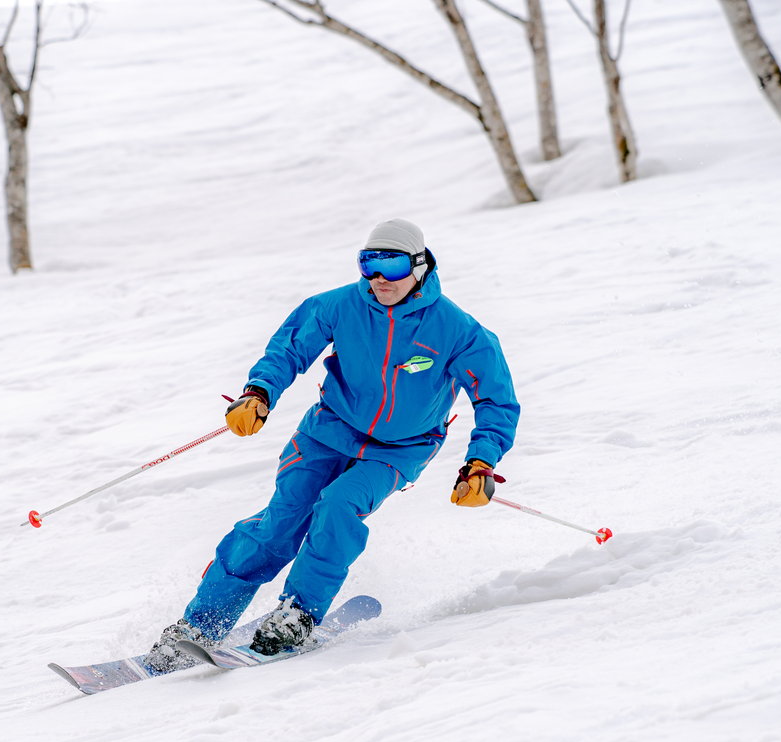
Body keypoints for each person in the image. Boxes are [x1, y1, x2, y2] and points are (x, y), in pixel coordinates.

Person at [143, 219, 519, 670]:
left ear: (420, 266)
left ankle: (297, 615)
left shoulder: (458, 330)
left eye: (393, 266)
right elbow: (289, 349)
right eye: (369, 265)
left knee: (339, 505)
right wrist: (258, 392)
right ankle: (201, 625)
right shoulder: (339, 306)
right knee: (280, 523)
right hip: (325, 432)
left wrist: (480, 463)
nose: (379, 279)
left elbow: (496, 400)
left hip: (399, 449)